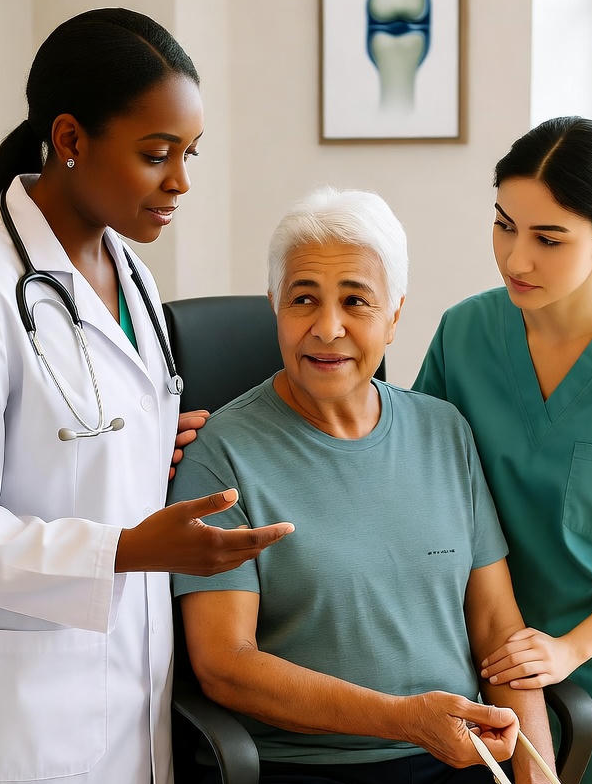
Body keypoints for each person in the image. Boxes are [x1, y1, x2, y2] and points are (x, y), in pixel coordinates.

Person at [0, 9, 292, 784]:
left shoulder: (131, 273)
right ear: (69, 140)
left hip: (135, 692)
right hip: (29, 714)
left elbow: (74, 447)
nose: (182, 181)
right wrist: (128, 549)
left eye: (189, 154)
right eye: (157, 154)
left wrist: (152, 446)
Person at [170, 187, 556, 784]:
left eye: (356, 301)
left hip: (460, 755)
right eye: (304, 299)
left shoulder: (445, 430)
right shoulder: (219, 455)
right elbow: (225, 663)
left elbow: (497, 632)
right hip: (307, 768)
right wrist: (404, 720)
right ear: (275, 304)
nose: (328, 328)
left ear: (394, 316)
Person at [413, 116, 592, 784]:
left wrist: (569, 649)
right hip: (481, 667)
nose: (517, 258)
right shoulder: (466, 334)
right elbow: (409, 463)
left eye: (548, 238)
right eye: (504, 224)